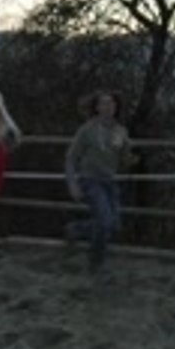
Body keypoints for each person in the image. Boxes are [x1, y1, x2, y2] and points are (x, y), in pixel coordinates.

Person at [63, 89, 138, 273]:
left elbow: (126, 160)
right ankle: (95, 262)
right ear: (96, 107)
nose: (107, 107)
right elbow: (71, 158)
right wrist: (72, 184)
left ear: (116, 107)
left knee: (114, 225)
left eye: (111, 103)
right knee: (105, 221)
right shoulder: (87, 130)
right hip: (90, 179)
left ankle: (77, 229)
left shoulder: (121, 131)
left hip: (110, 181)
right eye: (103, 103)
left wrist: (130, 155)